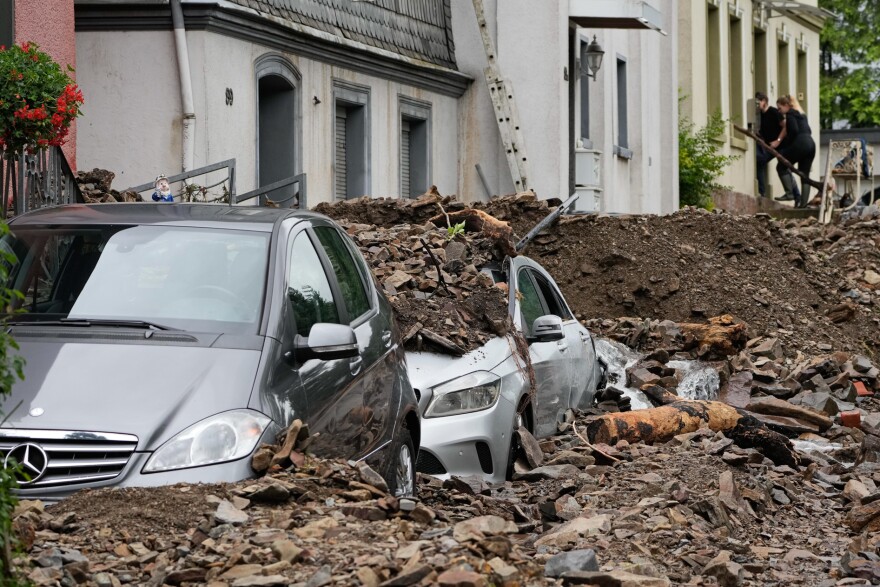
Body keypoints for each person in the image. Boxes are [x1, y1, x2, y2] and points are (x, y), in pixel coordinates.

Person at [769, 96, 816, 208]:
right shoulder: (802, 115)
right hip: (811, 144)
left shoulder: (790, 114)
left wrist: (789, 143)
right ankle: (803, 205)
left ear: (786, 106)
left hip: (800, 144)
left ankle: (789, 194)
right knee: (804, 174)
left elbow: (793, 130)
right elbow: (809, 130)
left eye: (779, 108)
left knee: (781, 166)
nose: (779, 111)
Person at [754, 92, 781, 198]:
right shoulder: (760, 115)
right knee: (760, 162)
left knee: (784, 167)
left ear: (764, 101)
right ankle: (762, 192)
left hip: (777, 146)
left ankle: (796, 194)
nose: (757, 105)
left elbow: (785, 126)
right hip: (767, 145)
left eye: (758, 102)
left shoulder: (774, 112)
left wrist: (778, 140)